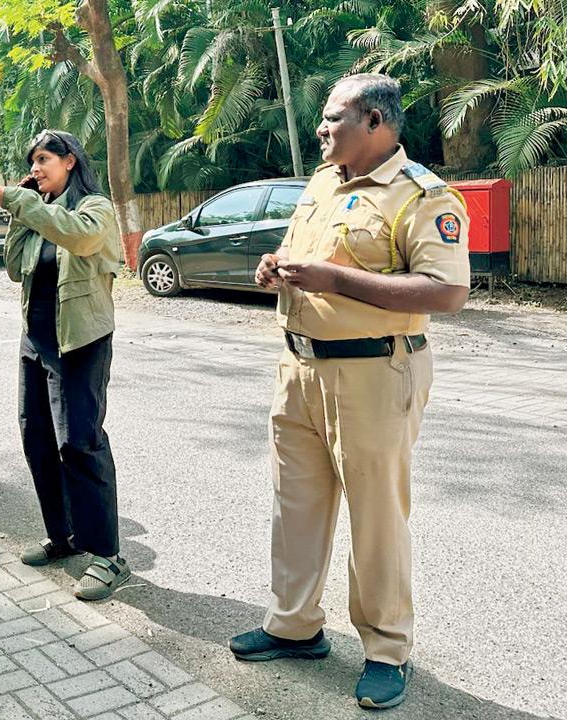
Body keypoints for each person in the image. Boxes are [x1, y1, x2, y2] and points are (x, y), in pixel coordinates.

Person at [228, 74, 470, 710]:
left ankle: (388, 649)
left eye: (333, 118)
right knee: (296, 504)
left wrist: (334, 278)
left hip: (375, 372)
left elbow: (447, 292)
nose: (321, 128)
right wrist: (275, 270)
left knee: (377, 517)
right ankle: (295, 625)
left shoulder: (421, 195)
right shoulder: (323, 181)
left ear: (375, 123)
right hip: (300, 369)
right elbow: (300, 253)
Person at [0, 130, 127, 601]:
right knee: (37, 440)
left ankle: (108, 554)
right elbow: (16, 267)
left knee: (80, 442)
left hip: (80, 342)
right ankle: (64, 537)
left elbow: (77, 239)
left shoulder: (94, 209)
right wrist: (20, 211)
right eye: (32, 162)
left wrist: (18, 198)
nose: (35, 169)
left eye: (43, 160)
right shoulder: (38, 211)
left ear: (70, 162)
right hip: (36, 341)